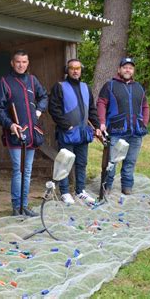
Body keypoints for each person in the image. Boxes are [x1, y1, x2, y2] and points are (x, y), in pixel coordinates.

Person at [0, 50, 48, 217]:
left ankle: (25, 205)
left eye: (24, 62)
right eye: (18, 62)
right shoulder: (4, 82)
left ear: (27, 62)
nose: (21, 65)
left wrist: (38, 111)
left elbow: (44, 96)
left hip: (31, 134)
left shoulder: (33, 80)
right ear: (12, 63)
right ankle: (16, 207)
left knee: (28, 170)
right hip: (15, 134)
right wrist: (10, 125)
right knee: (19, 170)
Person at [49, 59, 101, 205]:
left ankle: (80, 191)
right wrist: (67, 126)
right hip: (67, 132)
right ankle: (65, 192)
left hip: (83, 132)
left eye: (78, 68)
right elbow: (54, 109)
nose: (75, 71)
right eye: (72, 68)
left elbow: (91, 109)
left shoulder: (86, 87)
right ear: (67, 70)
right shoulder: (59, 87)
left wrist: (96, 125)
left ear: (81, 70)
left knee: (81, 163)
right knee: (65, 162)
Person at [97, 57, 149, 195]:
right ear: (119, 69)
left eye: (130, 68)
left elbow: (145, 106)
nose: (127, 69)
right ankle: (106, 186)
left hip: (135, 132)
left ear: (133, 71)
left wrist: (144, 123)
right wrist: (102, 122)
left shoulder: (139, 87)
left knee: (130, 162)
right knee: (111, 162)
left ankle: (127, 186)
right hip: (116, 131)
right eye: (125, 67)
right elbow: (101, 103)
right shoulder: (110, 85)